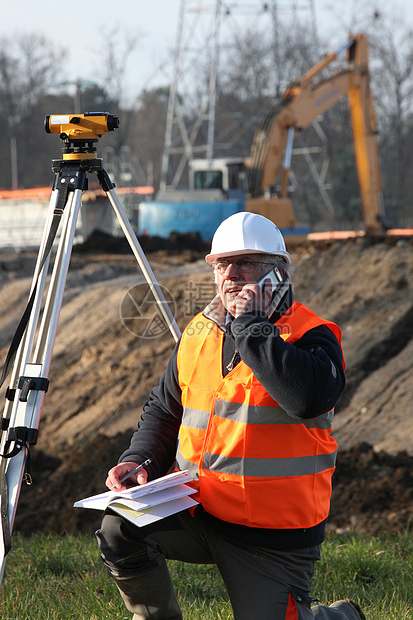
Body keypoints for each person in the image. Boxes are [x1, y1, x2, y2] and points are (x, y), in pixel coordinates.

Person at [96, 212, 366, 620]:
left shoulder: (313, 335)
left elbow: (306, 400)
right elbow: (166, 408)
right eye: (223, 264)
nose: (232, 275)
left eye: (247, 263)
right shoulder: (199, 333)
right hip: (198, 512)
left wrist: (251, 325)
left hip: (271, 538)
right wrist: (140, 460)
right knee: (119, 527)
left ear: (278, 273)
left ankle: (340, 617)